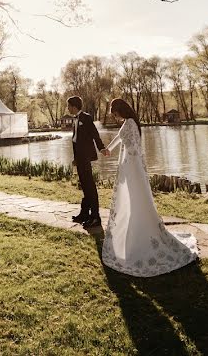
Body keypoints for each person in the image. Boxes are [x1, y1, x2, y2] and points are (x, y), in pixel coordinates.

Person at [101, 98, 198, 276]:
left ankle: (137, 238)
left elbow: (126, 144)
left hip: (131, 168)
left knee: (135, 201)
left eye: (115, 114)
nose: (115, 117)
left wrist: (111, 152)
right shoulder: (131, 123)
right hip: (133, 167)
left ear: (121, 110)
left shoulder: (130, 123)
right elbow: (120, 138)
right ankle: (134, 233)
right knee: (136, 201)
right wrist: (109, 149)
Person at [66, 96, 106, 228]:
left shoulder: (86, 118)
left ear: (74, 106)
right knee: (85, 186)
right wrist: (75, 159)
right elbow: (76, 141)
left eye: (69, 106)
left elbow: (95, 134)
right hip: (80, 159)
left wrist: (101, 148)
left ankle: (95, 217)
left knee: (90, 187)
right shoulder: (75, 119)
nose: (68, 108)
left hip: (86, 158)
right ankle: (84, 214)